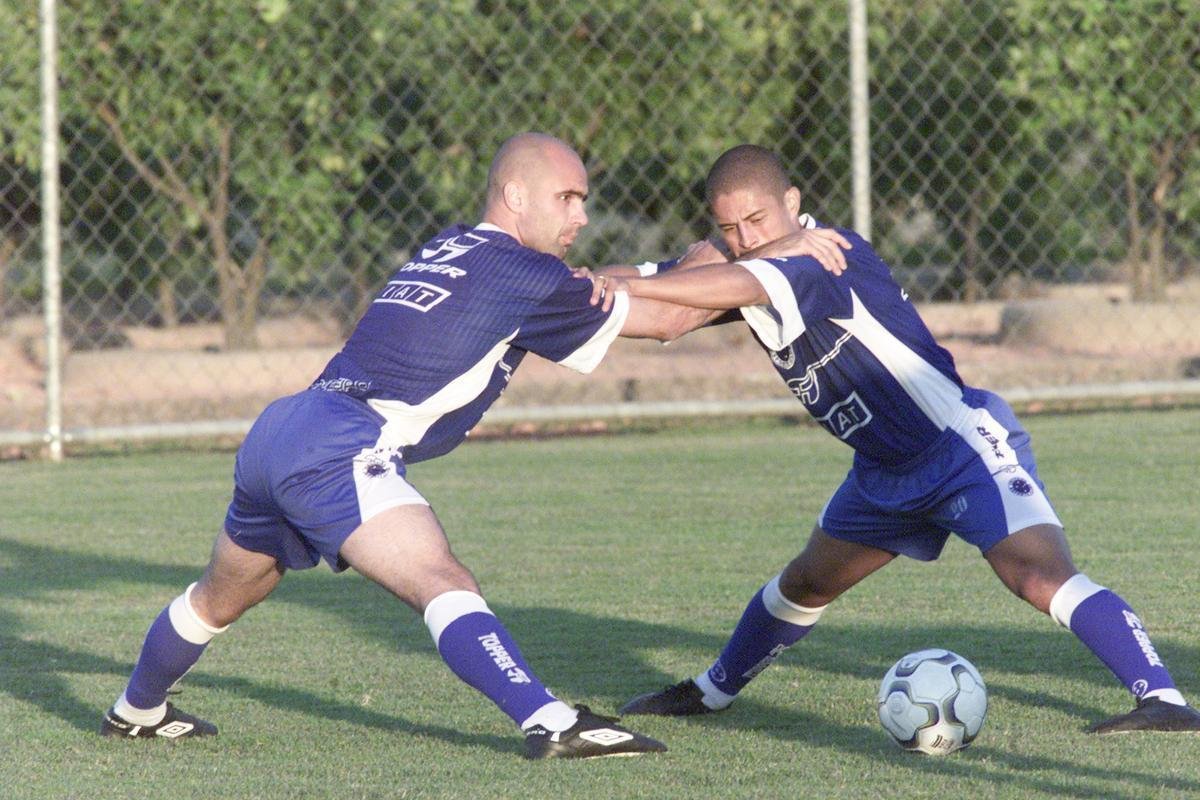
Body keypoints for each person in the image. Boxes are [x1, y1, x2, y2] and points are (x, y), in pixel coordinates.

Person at [97, 132, 844, 759]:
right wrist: (765, 251)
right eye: (567, 197)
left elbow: (594, 284)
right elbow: (669, 321)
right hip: (341, 443)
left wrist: (687, 266)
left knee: (224, 594)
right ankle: (550, 722)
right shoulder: (527, 274)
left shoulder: (455, 244)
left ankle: (137, 710)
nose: (582, 214)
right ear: (516, 196)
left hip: (281, 429)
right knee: (441, 578)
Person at [602, 144, 1200, 735]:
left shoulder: (822, 258)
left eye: (757, 219)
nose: (746, 237)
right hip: (883, 472)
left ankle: (1163, 700)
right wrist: (574, 284)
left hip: (958, 450)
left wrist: (663, 280)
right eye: (730, 228)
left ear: (792, 201)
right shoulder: (755, 263)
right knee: (807, 582)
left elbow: (709, 286)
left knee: (1037, 578)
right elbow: (661, 302)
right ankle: (710, 694)